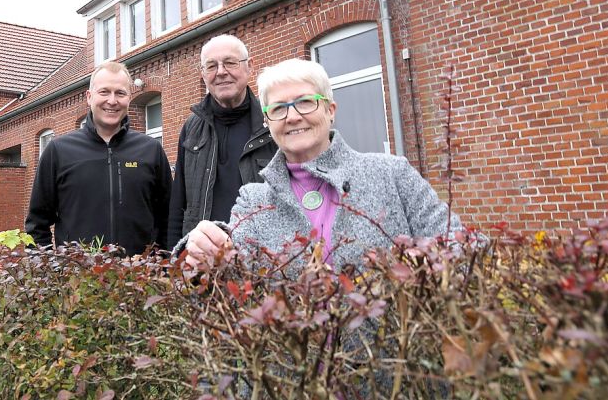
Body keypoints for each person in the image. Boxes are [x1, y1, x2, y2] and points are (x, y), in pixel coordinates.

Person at [178, 58, 461, 270]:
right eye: (278, 108)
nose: (292, 117)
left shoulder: (392, 174)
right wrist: (207, 250)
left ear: (330, 110)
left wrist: (430, 262)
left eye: (305, 102)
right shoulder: (253, 200)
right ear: (267, 122)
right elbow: (235, 274)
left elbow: (463, 248)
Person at [26, 61, 171, 255]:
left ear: (129, 97)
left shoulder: (151, 150)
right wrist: (49, 273)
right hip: (78, 279)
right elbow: (37, 223)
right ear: (89, 97)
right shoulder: (58, 151)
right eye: (104, 92)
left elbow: (168, 218)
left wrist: (160, 268)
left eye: (120, 93)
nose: (112, 101)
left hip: (139, 277)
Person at [166, 34, 277, 249]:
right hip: (202, 260)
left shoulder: (272, 123)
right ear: (203, 74)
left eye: (230, 63)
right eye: (211, 66)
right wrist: (175, 261)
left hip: (263, 260)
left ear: (249, 66)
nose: (221, 72)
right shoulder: (191, 128)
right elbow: (178, 203)